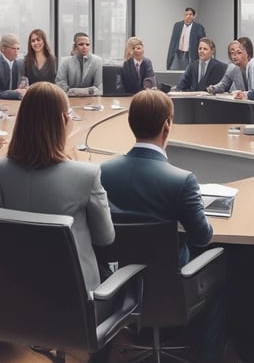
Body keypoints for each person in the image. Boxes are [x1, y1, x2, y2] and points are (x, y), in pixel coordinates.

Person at [99, 89, 221, 361]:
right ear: (167, 124)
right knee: (224, 270)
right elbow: (202, 238)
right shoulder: (182, 180)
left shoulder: (104, 172)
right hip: (173, 290)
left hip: (120, 286)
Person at [0, 81, 114, 295]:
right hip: (74, 296)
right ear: (64, 119)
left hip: (17, 289)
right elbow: (105, 238)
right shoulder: (86, 174)